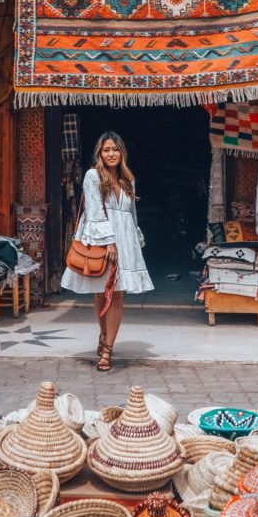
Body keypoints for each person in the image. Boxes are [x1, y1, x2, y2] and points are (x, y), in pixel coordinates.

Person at [61, 131, 154, 371]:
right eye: (106, 150)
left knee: (118, 294)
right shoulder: (93, 176)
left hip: (125, 238)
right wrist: (109, 242)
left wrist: (135, 241)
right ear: (99, 153)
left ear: (122, 152)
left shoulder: (128, 179)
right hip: (102, 238)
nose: (111, 154)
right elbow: (93, 210)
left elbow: (131, 214)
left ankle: (108, 350)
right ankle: (103, 334)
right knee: (101, 292)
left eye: (115, 149)